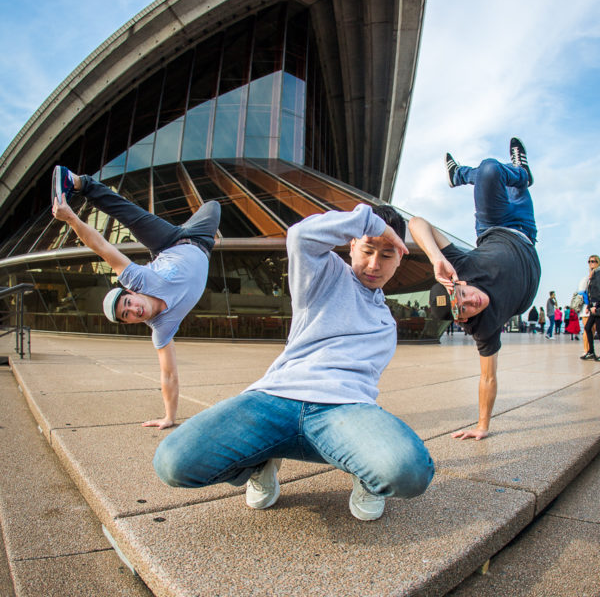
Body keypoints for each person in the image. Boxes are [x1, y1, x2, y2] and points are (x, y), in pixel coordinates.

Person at [153, 203, 434, 521]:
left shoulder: (386, 324)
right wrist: (367, 221)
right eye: (368, 249)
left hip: (343, 410)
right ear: (353, 244)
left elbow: (364, 385)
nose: (373, 264)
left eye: (386, 255)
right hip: (275, 398)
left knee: (410, 472)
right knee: (172, 463)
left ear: (400, 258)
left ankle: (364, 469)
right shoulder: (326, 273)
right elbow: (300, 235)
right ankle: (259, 462)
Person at [51, 166, 221, 429]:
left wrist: (71, 219)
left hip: (169, 241)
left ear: (131, 293)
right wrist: (169, 418)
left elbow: (102, 246)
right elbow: (169, 375)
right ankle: (211, 236)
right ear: (129, 323)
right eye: (126, 315)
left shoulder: (138, 280)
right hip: (201, 240)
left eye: (128, 302)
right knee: (214, 207)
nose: (133, 310)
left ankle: (76, 182)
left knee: (131, 215)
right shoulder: (162, 329)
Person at [408, 138, 541, 441]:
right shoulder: (484, 327)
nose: (472, 301)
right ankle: (516, 173)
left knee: (490, 170)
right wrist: (483, 426)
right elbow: (487, 377)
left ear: (460, 284)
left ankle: (462, 175)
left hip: (494, 225)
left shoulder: (460, 270)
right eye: (464, 309)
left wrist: (436, 258)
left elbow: (417, 222)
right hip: (526, 229)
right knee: (518, 184)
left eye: (463, 295)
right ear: (462, 321)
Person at [581, 254, 600, 360]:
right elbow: (591, 292)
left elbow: (598, 291)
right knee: (588, 328)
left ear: (598, 262)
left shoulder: (598, 273)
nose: (591, 263)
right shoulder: (592, 274)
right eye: (589, 261)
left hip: (597, 306)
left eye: (593, 261)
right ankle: (591, 352)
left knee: (599, 330)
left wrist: (595, 306)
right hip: (593, 306)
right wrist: (589, 306)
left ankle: (592, 352)